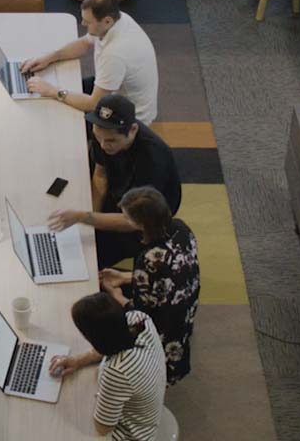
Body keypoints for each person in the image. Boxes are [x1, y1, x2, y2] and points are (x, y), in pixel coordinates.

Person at [48, 94, 182, 267]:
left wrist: (84, 217)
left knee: (89, 260)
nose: (103, 145)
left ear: (133, 130)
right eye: (98, 137)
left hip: (148, 215)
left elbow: (132, 220)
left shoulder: (152, 159)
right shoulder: (104, 133)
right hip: (121, 189)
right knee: (82, 230)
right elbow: (100, 175)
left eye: (111, 141)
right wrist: (92, 220)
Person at [101, 187, 200, 385]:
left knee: (103, 310)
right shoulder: (181, 228)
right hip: (184, 309)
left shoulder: (148, 259)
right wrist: (126, 276)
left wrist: (113, 292)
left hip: (160, 329)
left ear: (141, 223)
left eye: (128, 218)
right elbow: (170, 275)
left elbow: (139, 312)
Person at [21, 0, 158, 124]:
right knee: (59, 92)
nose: (83, 24)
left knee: (62, 120)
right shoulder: (117, 19)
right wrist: (49, 57)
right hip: (114, 88)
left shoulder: (115, 54)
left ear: (107, 21)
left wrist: (52, 91)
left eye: (88, 21)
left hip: (129, 116)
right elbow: (85, 43)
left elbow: (94, 104)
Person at [48, 293, 166, 441]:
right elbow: (113, 342)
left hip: (133, 434)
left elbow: (103, 428)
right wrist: (78, 361)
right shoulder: (139, 319)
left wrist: (102, 396)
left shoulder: (117, 372)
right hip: (147, 413)